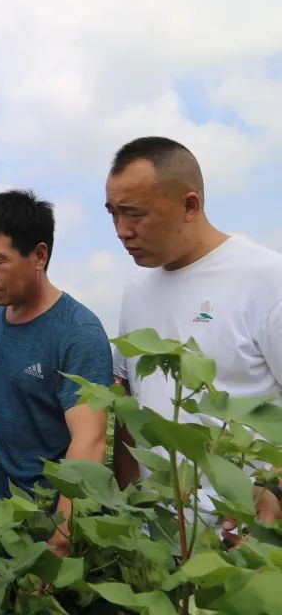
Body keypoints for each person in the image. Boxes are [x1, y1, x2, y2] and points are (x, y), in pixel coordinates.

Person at [106, 136, 282, 545]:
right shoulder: (136, 291)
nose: (121, 231)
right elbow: (133, 411)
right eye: (113, 214)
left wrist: (274, 492)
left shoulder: (266, 280)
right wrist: (127, 510)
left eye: (134, 214)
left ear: (190, 205)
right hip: (158, 540)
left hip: (245, 539)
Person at [0, 190, 112, 556]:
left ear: (39, 255)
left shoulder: (78, 332)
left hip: (40, 529)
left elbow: (88, 443)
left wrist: (59, 542)